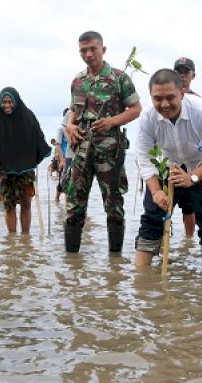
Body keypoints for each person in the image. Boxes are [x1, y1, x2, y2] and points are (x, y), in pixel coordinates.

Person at [135, 69, 202, 268]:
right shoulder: (147, 117)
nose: (164, 104)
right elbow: (144, 157)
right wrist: (157, 191)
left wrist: (192, 178)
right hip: (167, 166)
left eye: (170, 97)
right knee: (152, 218)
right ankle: (141, 279)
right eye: (157, 99)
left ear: (182, 94)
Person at [64, 31, 142, 253]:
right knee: (73, 207)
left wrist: (111, 122)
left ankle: (114, 267)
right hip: (80, 152)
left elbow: (136, 109)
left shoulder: (119, 78)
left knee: (114, 206)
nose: (88, 54)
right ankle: (72, 266)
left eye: (92, 49)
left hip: (109, 152)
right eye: (83, 50)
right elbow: (73, 109)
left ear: (103, 49)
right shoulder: (77, 80)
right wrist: (70, 126)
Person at [0, 87, 51, 234]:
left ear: (16, 101)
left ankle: (25, 239)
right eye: (4, 102)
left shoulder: (27, 116)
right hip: (5, 172)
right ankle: (12, 240)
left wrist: (34, 159)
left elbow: (38, 137)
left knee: (26, 204)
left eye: (10, 102)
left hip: (25, 170)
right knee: (9, 206)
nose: (7, 105)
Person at [174, 57, 201, 237]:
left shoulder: (198, 101)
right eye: (178, 72)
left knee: (189, 206)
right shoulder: (166, 97)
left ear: (193, 75)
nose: (182, 76)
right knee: (163, 203)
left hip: (192, 160)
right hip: (170, 160)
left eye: (186, 72)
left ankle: (188, 240)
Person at [55, 107, 75, 202]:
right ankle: (57, 199)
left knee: (72, 181)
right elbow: (57, 144)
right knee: (63, 180)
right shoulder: (61, 129)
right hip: (64, 157)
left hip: (72, 156)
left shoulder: (73, 127)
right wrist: (61, 160)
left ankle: (67, 202)